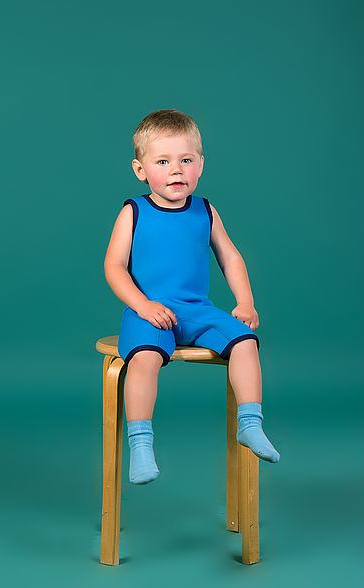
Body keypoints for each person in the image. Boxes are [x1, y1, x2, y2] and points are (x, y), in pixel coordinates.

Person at [104, 109, 280, 485]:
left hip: (197, 311)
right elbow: (114, 267)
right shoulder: (134, 212)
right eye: (163, 161)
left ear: (200, 164)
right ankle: (141, 443)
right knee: (145, 358)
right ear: (140, 170)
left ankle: (250, 422)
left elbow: (231, 257)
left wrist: (245, 302)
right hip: (148, 311)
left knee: (246, 342)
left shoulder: (205, 211)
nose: (176, 170)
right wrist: (143, 306)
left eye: (186, 160)